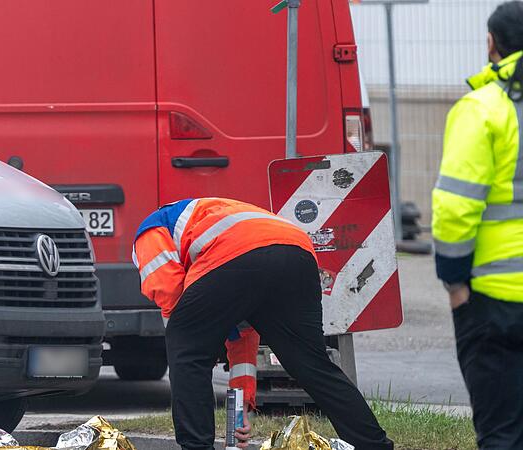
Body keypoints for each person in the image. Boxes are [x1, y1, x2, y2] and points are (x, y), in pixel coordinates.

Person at [132, 197, 392, 450]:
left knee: (186, 350)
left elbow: (171, 296)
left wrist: (197, 345)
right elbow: (244, 333)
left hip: (236, 251)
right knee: (313, 364)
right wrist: (241, 407)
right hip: (297, 252)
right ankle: (373, 445)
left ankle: (196, 446)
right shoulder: (207, 217)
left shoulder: (149, 231)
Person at [432, 2, 523, 448]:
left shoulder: (483, 109)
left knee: (502, 432)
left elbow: (455, 207)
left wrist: (454, 283)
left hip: (495, 303)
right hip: (496, 303)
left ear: (491, 44)